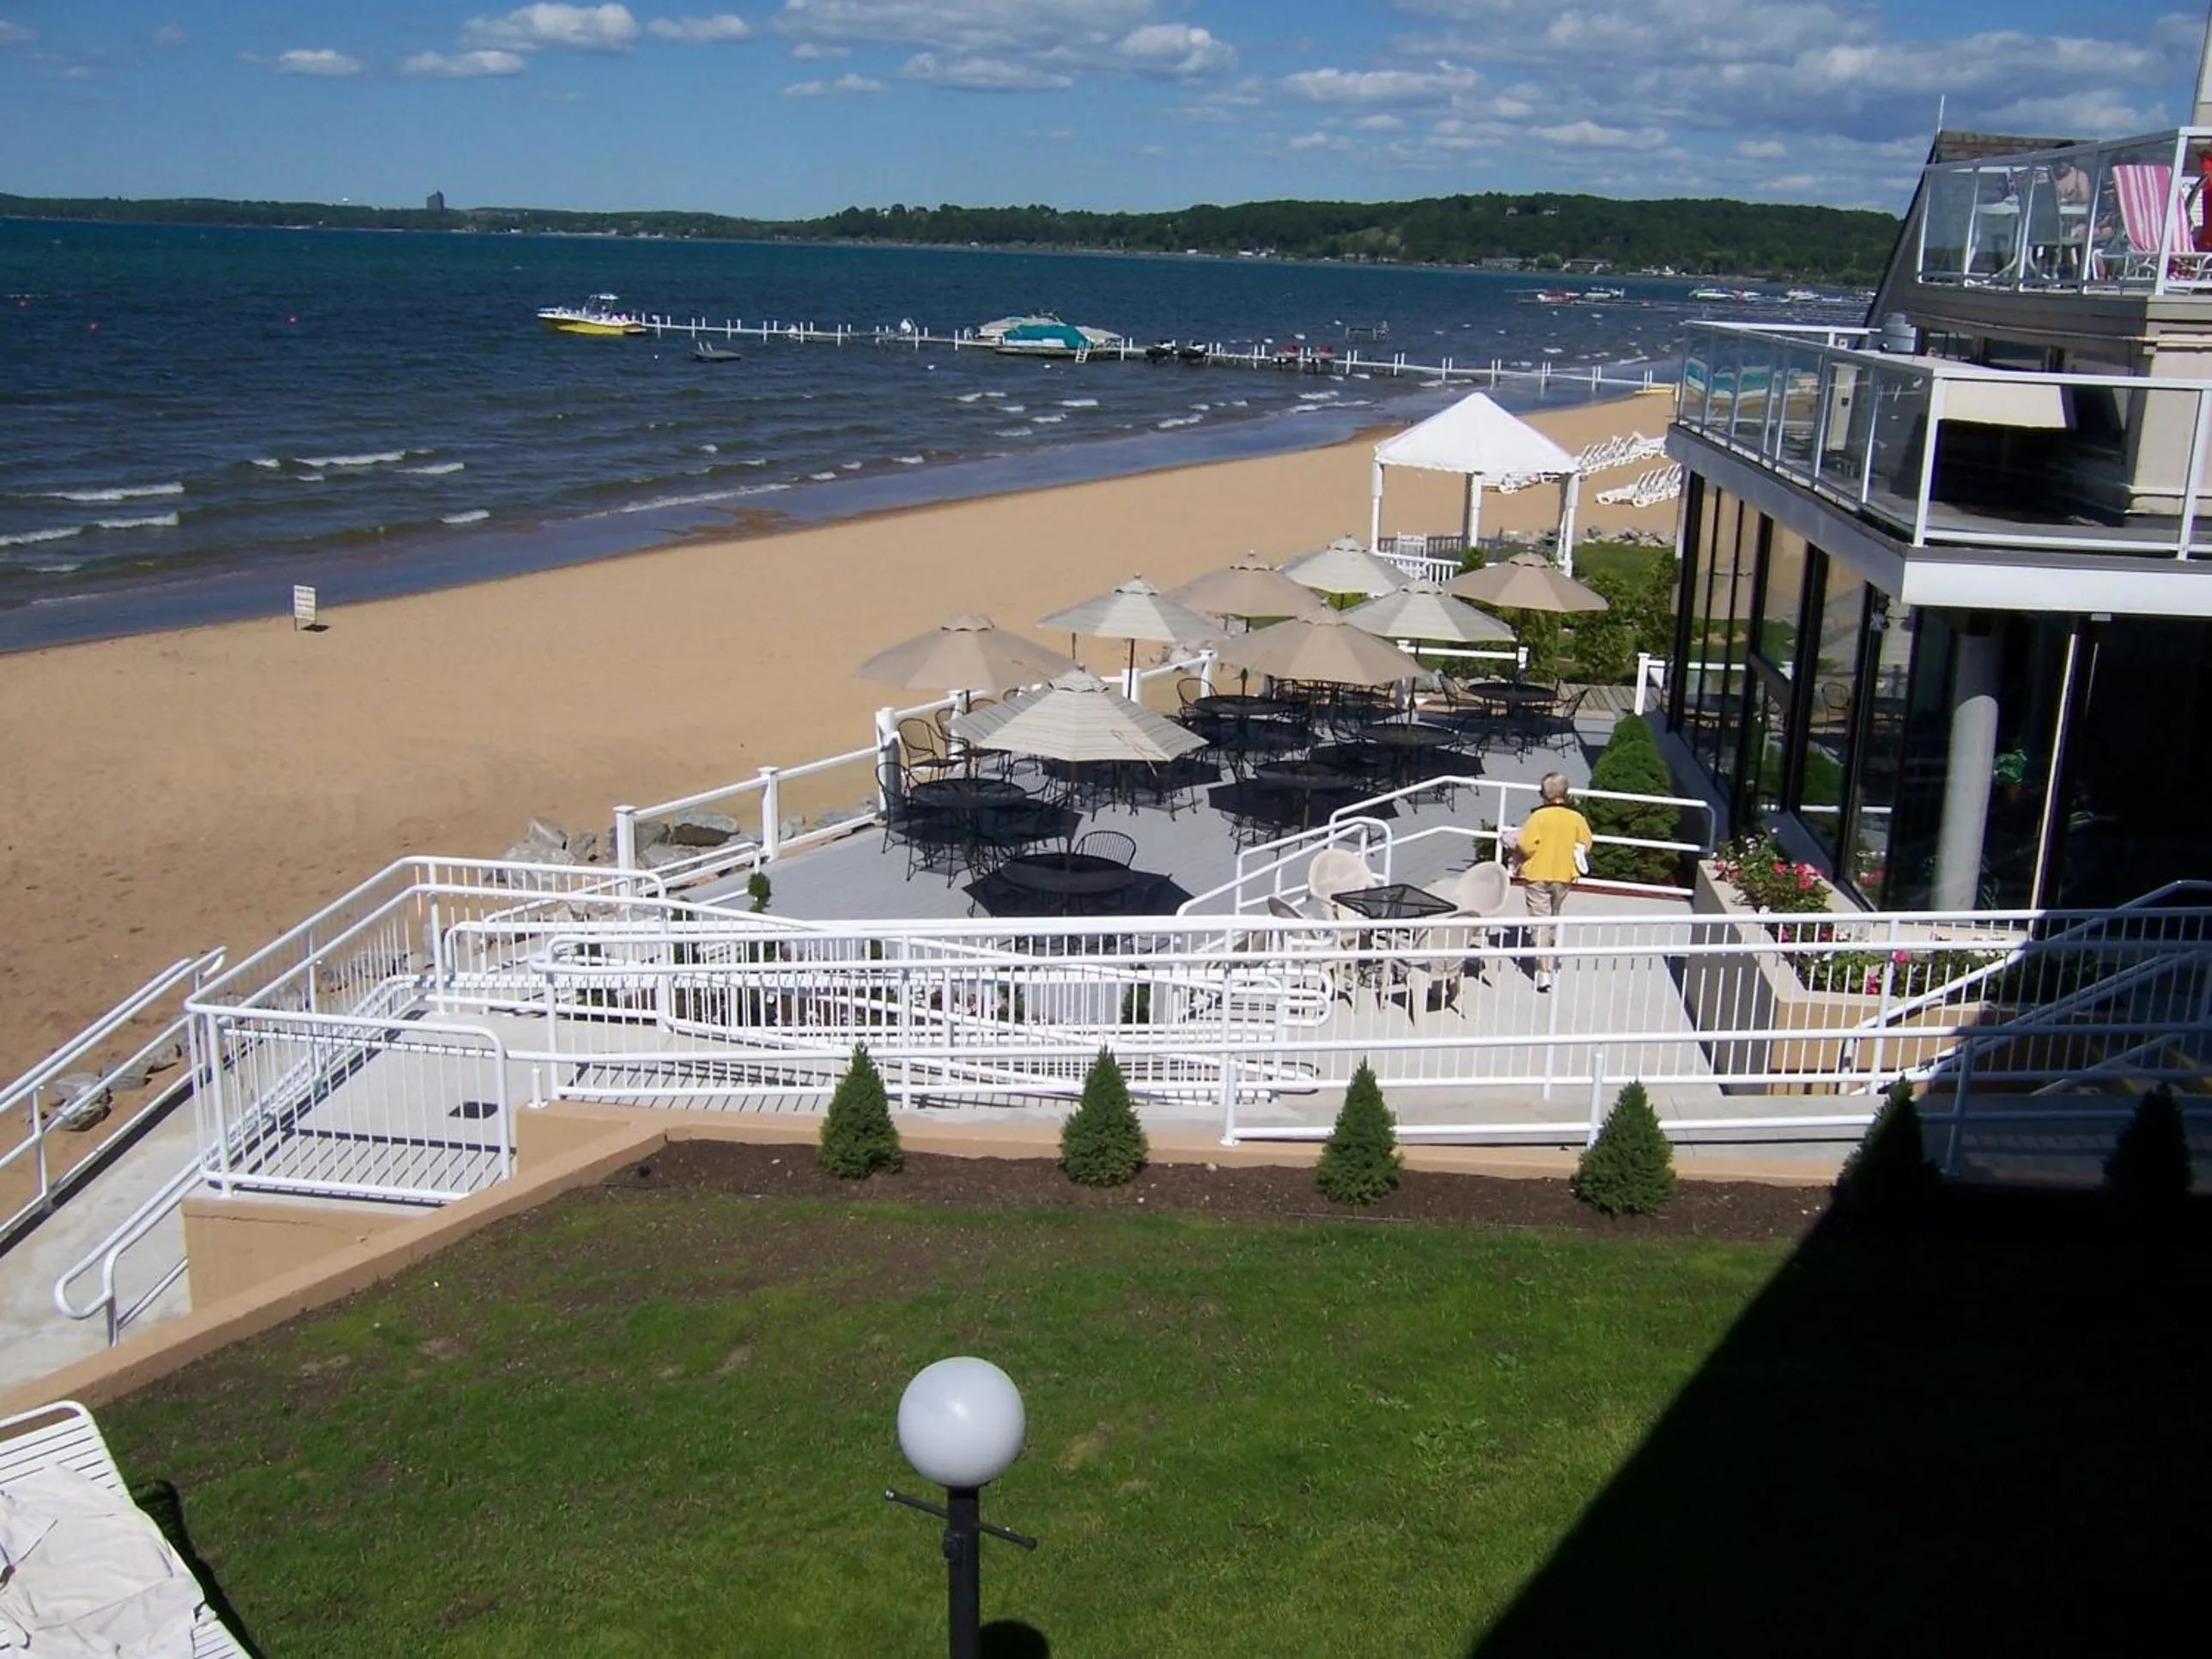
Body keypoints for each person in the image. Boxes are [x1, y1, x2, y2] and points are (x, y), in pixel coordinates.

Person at [1508, 773, 1593, 993]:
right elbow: (1587, 842)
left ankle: (1543, 970)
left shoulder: (1538, 817)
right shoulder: (1577, 817)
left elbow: (1526, 845)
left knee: (1539, 921)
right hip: (1563, 875)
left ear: (1543, 794)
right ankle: (1548, 945)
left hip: (1537, 873)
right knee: (1554, 914)